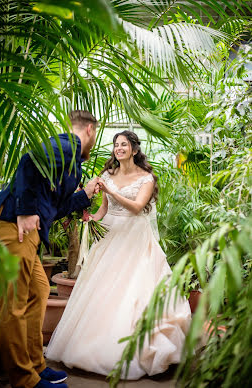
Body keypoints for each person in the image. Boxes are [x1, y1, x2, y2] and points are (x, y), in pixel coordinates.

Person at [45, 130, 191, 379]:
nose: (118, 148)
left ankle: (140, 351)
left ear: (134, 149)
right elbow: (103, 209)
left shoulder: (146, 178)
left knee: (135, 290)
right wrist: (90, 219)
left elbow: (137, 207)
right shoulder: (107, 174)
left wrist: (112, 192)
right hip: (110, 237)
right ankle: (93, 348)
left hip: (135, 239)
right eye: (116, 145)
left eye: (124, 144)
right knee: (102, 291)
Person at [0, 110, 100, 388]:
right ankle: (24, 379)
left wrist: (85, 196)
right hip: (13, 226)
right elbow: (28, 161)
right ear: (89, 129)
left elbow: (57, 208)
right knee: (13, 304)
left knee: (39, 290)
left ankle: (35, 366)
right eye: (96, 135)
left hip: (28, 233)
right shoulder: (67, 145)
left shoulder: (72, 161)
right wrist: (26, 210)